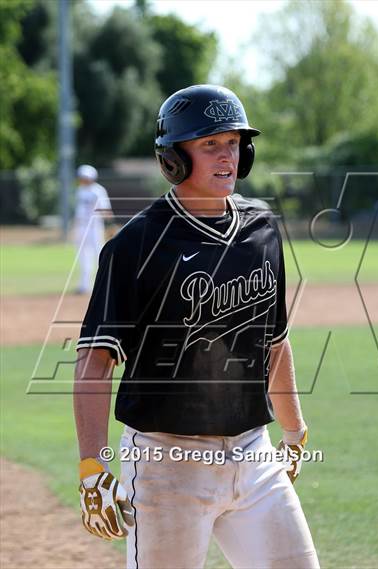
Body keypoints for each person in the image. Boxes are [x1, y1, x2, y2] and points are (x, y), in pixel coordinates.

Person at [73, 85, 320, 569]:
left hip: (254, 454)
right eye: (209, 144)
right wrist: (91, 467)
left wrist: (294, 433)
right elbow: (94, 361)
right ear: (174, 159)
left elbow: (274, 343)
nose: (226, 155)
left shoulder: (261, 228)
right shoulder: (136, 244)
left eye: (234, 142)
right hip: (168, 465)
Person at [73, 164, 112, 294]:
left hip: (95, 226)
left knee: (98, 253)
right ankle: (84, 285)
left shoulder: (98, 190)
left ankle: (105, 283)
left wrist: (109, 225)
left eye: (84, 177)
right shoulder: (80, 190)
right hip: (81, 226)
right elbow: (78, 212)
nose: (82, 179)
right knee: (83, 255)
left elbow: (106, 210)